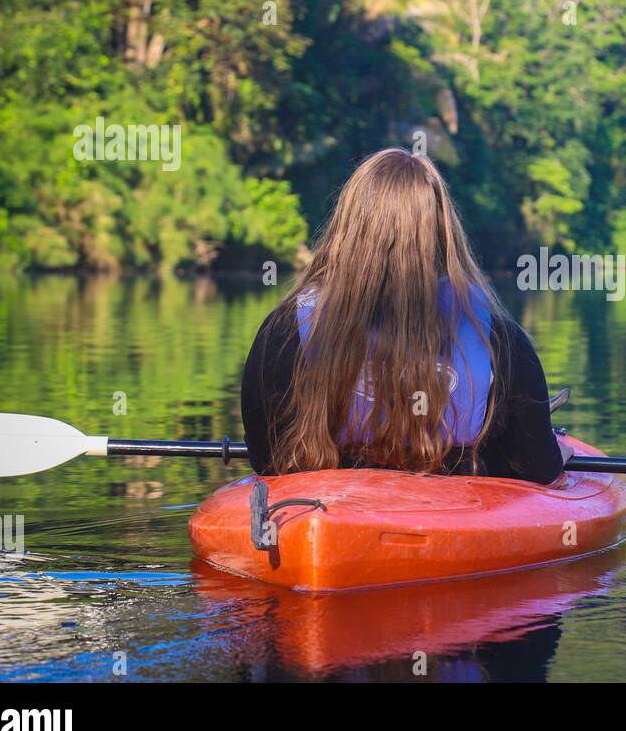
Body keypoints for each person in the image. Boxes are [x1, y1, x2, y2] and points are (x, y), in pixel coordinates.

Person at [240, 147, 571, 483]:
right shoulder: (500, 340)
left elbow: (265, 457)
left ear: (347, 227)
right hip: (452, 517)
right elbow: (538, 470)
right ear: (444, 233)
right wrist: (562, 454)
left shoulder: (283, 332)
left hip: (323, 518)